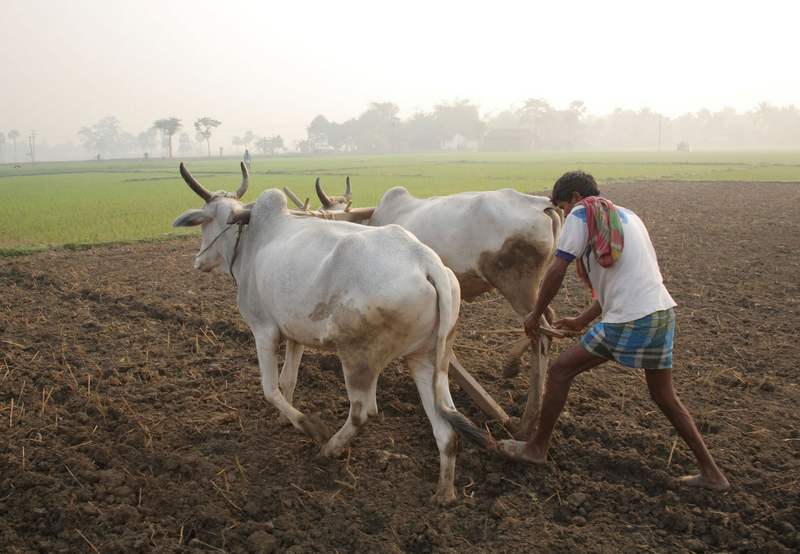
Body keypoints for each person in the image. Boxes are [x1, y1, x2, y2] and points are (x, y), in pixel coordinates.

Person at [497, 171, 730, 492]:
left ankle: (536, 448)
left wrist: (535, 314)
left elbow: (557, 268)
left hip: (630, 319)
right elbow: (626, 280)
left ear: (576, 198)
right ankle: (712, 473)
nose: (564, 215)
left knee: (561, 370)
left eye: (562, 207)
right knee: (665, 396)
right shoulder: (627, 217)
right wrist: (582, 319)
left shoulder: (582, 213)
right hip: (660, 313)